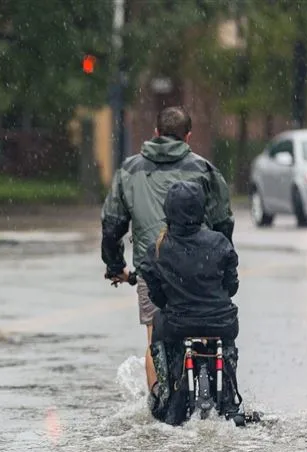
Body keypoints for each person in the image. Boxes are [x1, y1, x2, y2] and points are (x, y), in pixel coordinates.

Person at [101, 106, 235, 391]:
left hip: (153, 271)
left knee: (155, 339)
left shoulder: (129, 169)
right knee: (213, 332)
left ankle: (157, 404)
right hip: (202, 268)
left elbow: (112, 225)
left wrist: (115, 266)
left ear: (156, 134)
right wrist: (221, 262)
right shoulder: (204, 169)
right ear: (188, 137)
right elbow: (223, 222)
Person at [139, 180, 240, 422]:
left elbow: (157, 295)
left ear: (168, 211)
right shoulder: (220, 243)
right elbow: (232, 286)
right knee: (226, 345)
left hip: (178, 325)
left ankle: (164, 391)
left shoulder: (158, 250)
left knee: (158, 322)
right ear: (201, 209)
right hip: (221, 324)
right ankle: (229, 384)